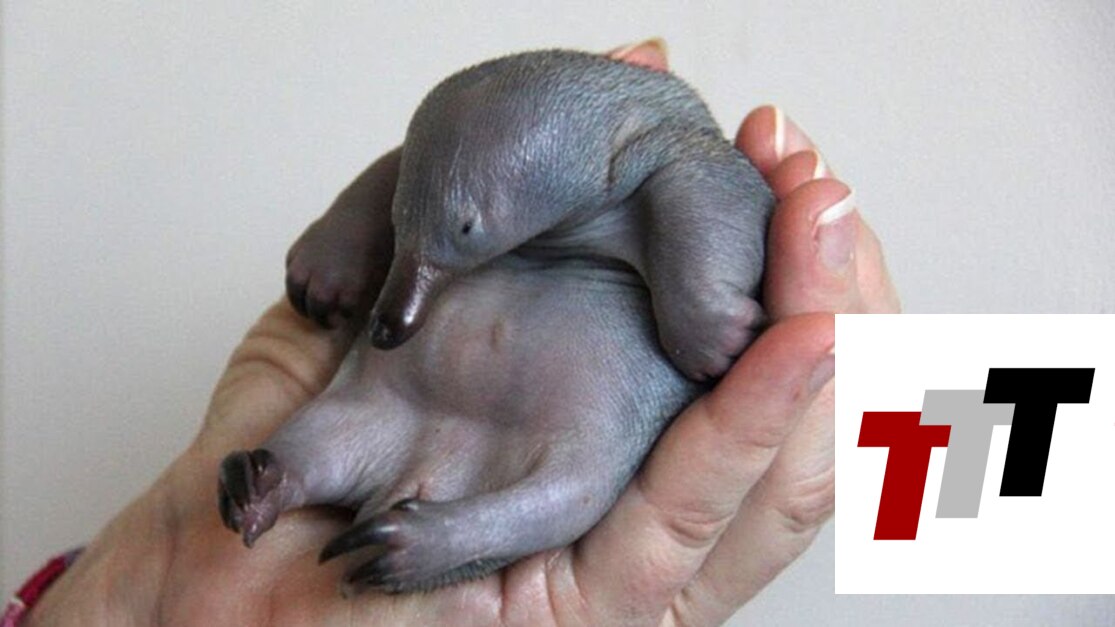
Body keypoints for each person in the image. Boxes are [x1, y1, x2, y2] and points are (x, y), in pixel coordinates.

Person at [21, 40, 899, 626]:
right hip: (409, 384)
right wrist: (351, 233)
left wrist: (697, 301)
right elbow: (416, 173)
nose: (402, 294)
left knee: (569, 479)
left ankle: (449, 539)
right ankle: (280, 477)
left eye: (447, 240)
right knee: (356, 411)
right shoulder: (465, 144)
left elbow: (710, 215)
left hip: (571, 402)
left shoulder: (667, 149)